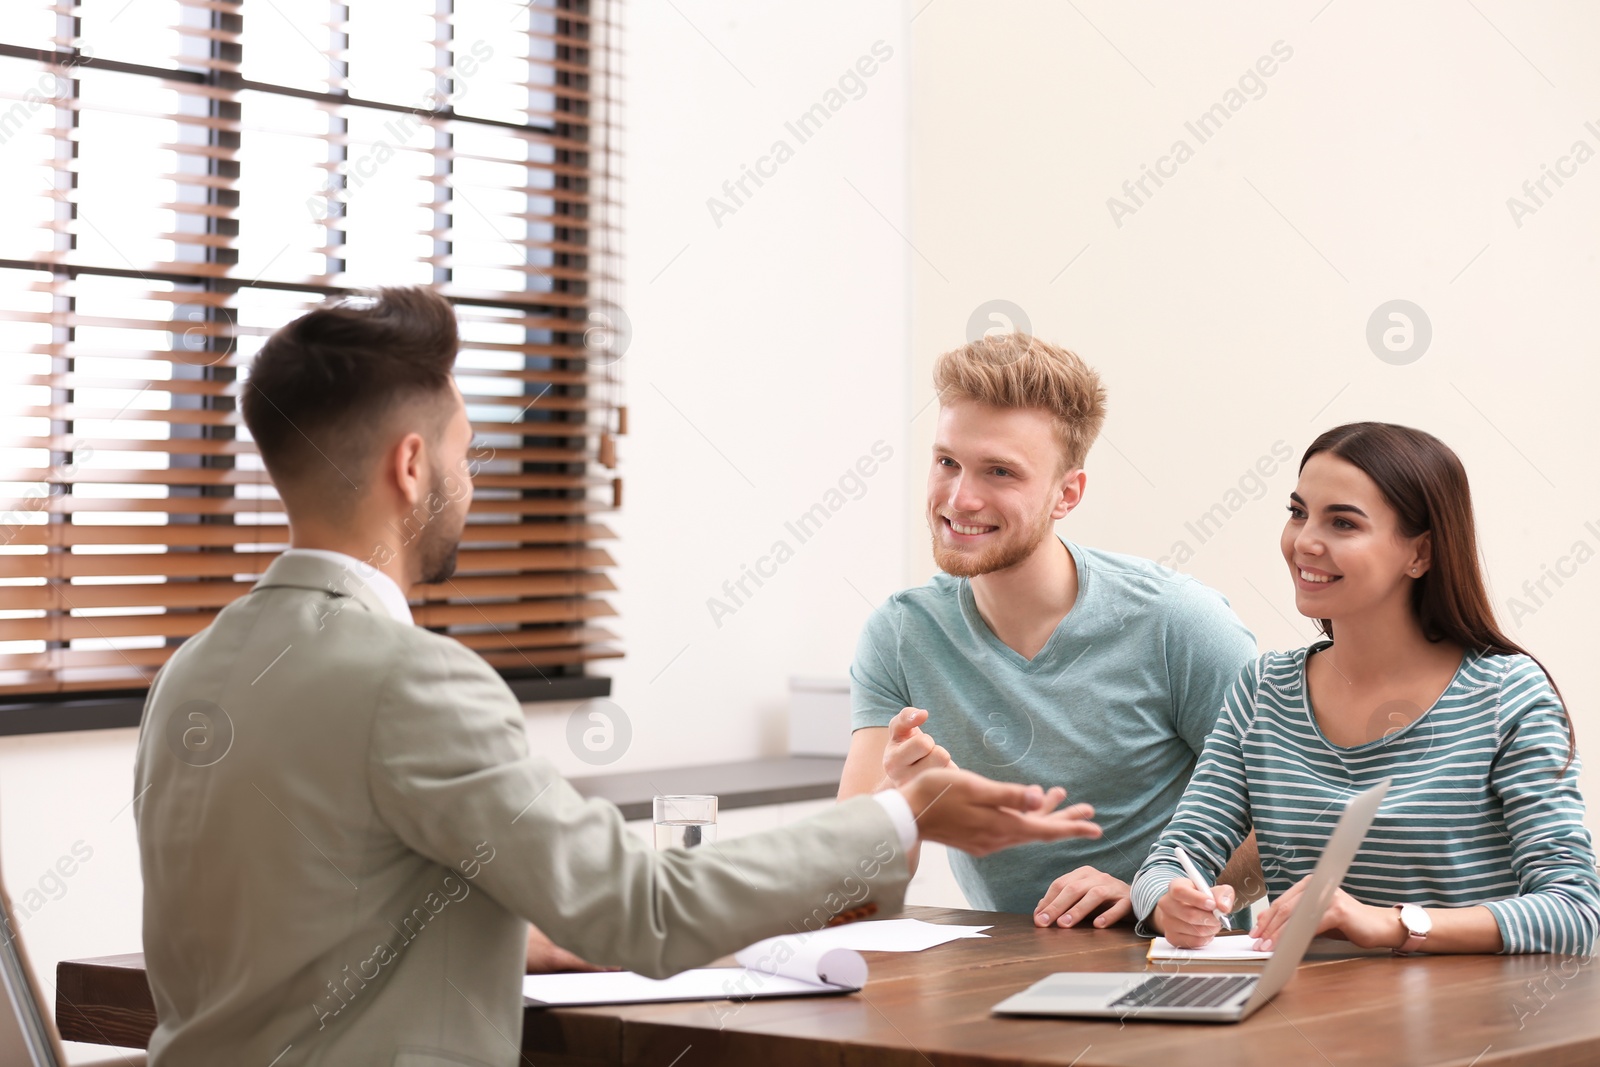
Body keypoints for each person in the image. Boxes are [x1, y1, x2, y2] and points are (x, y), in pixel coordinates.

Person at [132, 288, 1103, 1067]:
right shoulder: (413, 680)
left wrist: (500, 933)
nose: (471, 486)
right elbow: (644, 909)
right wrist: (898, 815)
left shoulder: (197, 670)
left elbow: (298, 921)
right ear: (412, 464)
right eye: (468, 457)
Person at [838, 332, 1260, 930]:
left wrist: (1152, 890)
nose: (960, 498)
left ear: (1067, 494)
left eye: (1000, 472)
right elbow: (852, 889)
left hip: (1177, 975)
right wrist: (903, 804)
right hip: (1001, 980)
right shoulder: (902, 634)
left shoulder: (1181, 624)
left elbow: (1284, 818)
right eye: (947, 462)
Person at [1134, 422, 1600, 955]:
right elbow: (1171, 858)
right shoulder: (1264, 688)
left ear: (1420, 554)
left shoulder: (1506, 694)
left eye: (1343, 523)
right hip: (1299, 1019)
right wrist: (1168, 901)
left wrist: (1391, 923)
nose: (1305, 541)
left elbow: (1575, 908)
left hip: (1462, 1026)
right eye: (1297, 512)